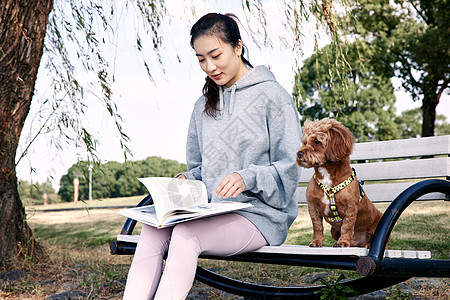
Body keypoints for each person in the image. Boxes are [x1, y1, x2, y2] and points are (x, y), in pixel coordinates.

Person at [123, 12, 302, 300]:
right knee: (152, 230)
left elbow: (289, 167)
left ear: (238, 47)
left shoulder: (273, 96)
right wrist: (186, 180)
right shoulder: (203, 105)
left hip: (260, 216)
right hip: (210, 211)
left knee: (185, 236)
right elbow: (199, 169)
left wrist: (247, 177)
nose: (210, 66)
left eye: (215, 55)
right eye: (201, 59)